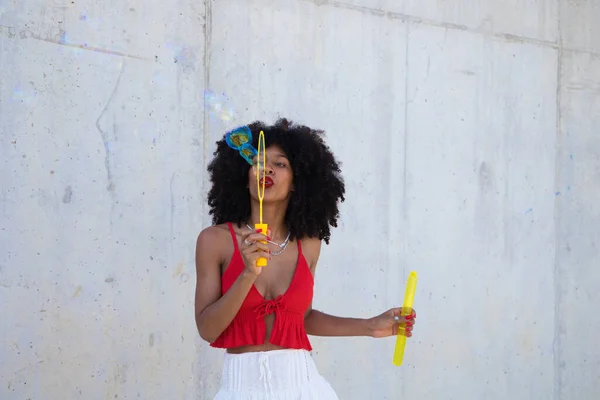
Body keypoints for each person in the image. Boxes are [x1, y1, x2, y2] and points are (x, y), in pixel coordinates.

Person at [194, 118, 417, 399]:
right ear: (244, 175)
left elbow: (303, 318)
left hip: (304, 388)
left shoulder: (308, 244)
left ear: (296, 183)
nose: (267, 169)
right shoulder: (214, 241)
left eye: (280, 164)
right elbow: (208, 330)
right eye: (259, 161)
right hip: (240, 389)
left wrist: (369, 326)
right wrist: (247, 273)